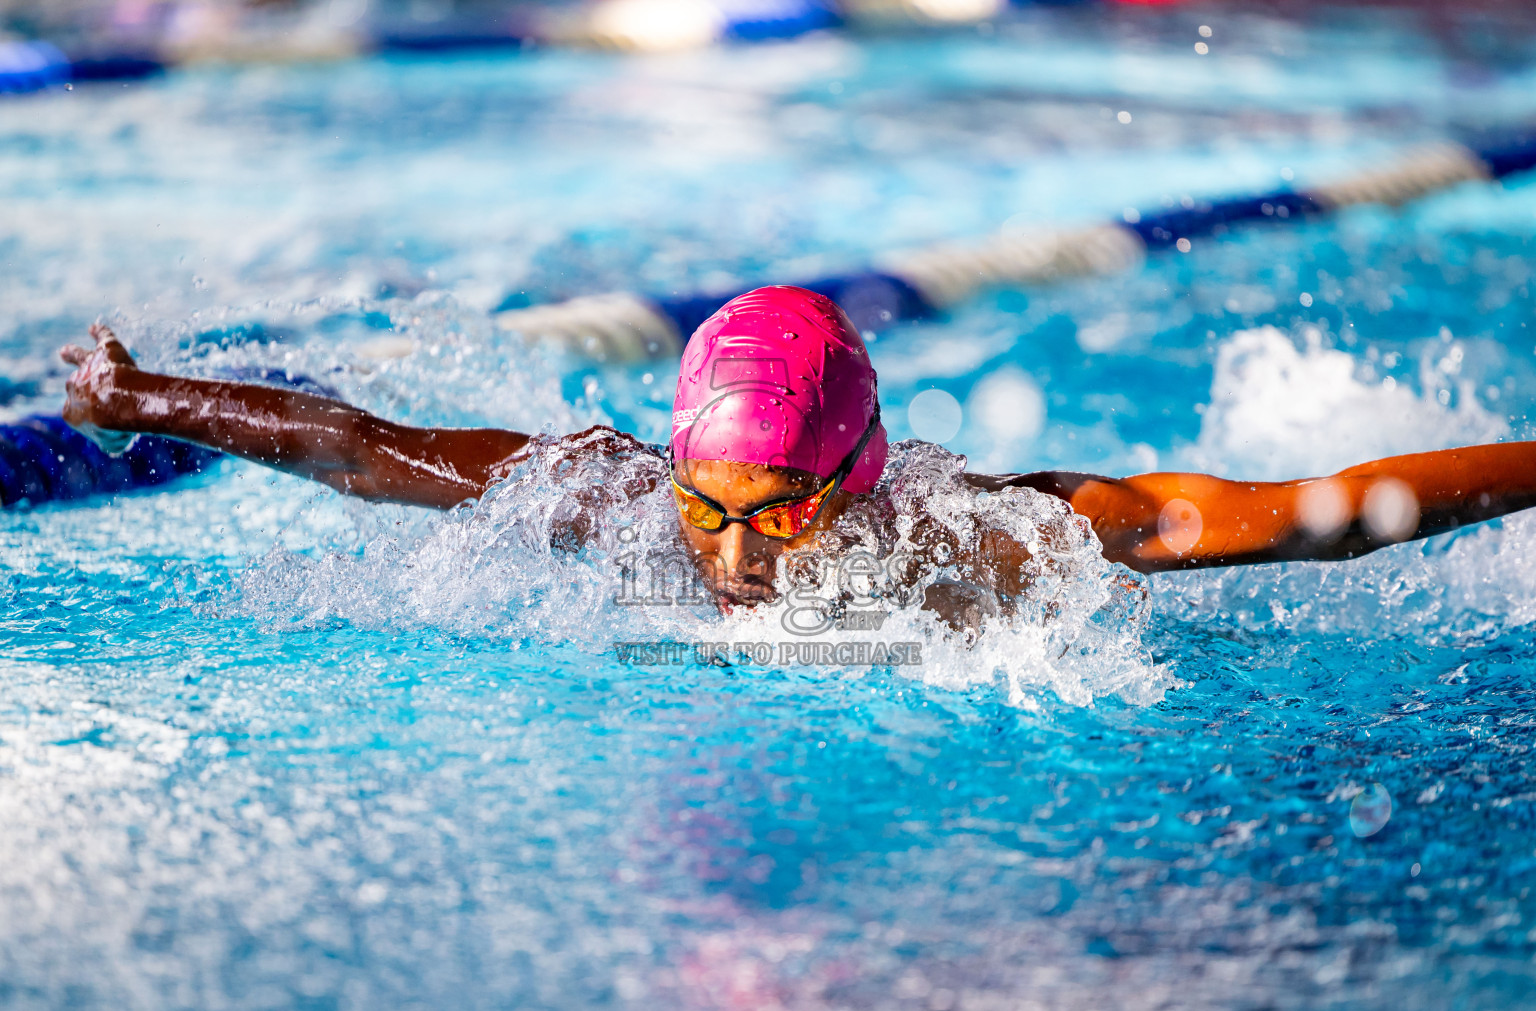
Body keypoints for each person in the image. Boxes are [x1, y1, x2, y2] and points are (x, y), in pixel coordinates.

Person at [60, 286, 1536, 617]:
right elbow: (366, 449)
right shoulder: (629, 502)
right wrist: (145, 399)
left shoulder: (986, 538)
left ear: (856, 480)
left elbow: (1311, 513)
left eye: (774, 516)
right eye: (712, 509)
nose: (735, 553)